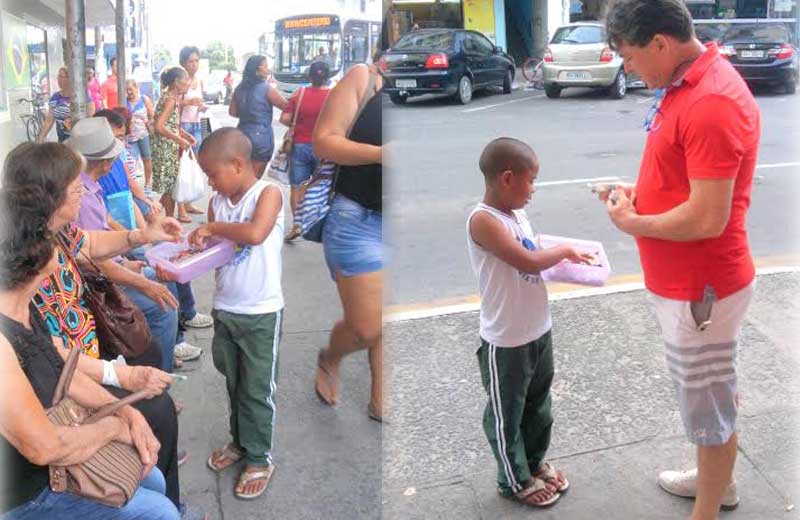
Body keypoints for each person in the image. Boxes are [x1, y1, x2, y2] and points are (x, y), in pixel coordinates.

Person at [601, 1, 760, 518]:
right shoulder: (685, 82)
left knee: (709, 403)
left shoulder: (710, 100)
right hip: (690, 283)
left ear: (660, 45)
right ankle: (716, 482)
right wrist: (639, 194)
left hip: (702, 289)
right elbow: (685, 180)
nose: (627, 67)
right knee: (707, 397)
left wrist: (634, 223)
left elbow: (707, 217)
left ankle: (708, 508)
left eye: (627, 56)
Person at [0, 142, 193, 513]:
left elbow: (56, 363)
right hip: (35, 476)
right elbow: (44, 438)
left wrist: (124, 407)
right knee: (158, 414)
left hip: (76, 366)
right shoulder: (24, 273)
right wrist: (119, 392)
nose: (85, 192)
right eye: (77, 188)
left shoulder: (39, 253)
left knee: (149, 368)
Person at [467, 137, 592, 507]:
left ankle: (534, 463)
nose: (533, 190)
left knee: (539, 406)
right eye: (531, 180)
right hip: (507, 338)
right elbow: (528, 261)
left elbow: (534, 251)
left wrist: (565, 260)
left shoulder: (515, 214)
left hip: (537, 328)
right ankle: (513, 479)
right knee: (508, 413)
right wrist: (565, 251)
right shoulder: (484, 221)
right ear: (507, 178)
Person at [191, 128, 285, 500]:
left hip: (261, 313)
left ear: (238, 164)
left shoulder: (269, 193)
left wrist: (211, 227)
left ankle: (260, 457)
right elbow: (217, 251)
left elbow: (256, 232)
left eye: (213, 175)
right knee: (234, 384)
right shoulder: (218, 203)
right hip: (226, 308)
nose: (210, 183)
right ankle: (240, 443)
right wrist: (184, 258)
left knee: (257, 390)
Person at [311, 64, 383, 420]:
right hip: (359, 220)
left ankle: (380, 397)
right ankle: (331, 356)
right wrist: (383, 153)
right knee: (367, 326)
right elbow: (324, 140)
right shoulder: (364, 78)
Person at [280, 60, 331, 241]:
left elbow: (285, 118)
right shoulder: (334, 95)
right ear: (328, 76)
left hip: (300, 145)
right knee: (324, 185)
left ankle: (297, 225)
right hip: (324, 147)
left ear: (309, 76)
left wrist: (298, 121)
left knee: (297, 187)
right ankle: (321, 224)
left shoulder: (299, 94)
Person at [229, 55, 288, 178]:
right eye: (265, 66)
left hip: (241, 134)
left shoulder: (239, 89)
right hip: (261, 136)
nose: (268, 69)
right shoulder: (267, 88)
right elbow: (286, 106)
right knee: (255, 179)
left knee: (241, 176)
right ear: (257, 70)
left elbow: (232, 112)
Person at [151, 67, 197, 221]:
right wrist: (179, 140)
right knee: (170, 187)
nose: (188, 83)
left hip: (167, 146)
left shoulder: (171, 97)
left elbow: (172, 125)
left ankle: (153, 216)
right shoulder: (170, 99)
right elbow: (159, 126)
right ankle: (167, 219)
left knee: (171, 186)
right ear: (177, 82)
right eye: (185, 79)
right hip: (165, 148)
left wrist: (186, 135)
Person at [177, 46, 208, 221]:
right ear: (183, 63)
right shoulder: (179, 80)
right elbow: (172, 104)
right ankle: (180, 207)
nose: (194, 64)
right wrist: (189, 101)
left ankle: (187, 203)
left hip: (197, 123)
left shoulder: (199, 80)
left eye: (197, 60)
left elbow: (199, 102)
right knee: (182, 166)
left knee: (193, 166)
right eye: (191, 61)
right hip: (183, 125)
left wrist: (201, 106)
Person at [37, 67, 95, 143]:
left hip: (81, 142)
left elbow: (91, 113)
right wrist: (41, 138)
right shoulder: (55, 97)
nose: (59, 79)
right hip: (63, 142)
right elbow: (49, 120)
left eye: (62, 76)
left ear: (70, 79)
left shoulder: (82, 96)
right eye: (58, 76)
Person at [125, 79, 155, 197]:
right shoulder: (124, 101)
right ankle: (133, 187)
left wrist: (150, 126)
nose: (129, 92)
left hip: (143, 134)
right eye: (127, 90)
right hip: (130, 136)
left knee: (147, 158)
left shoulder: (144, 99)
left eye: (130, 89)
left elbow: (151, 115)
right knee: (130, 161)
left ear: (136, 88)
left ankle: (148, 185)